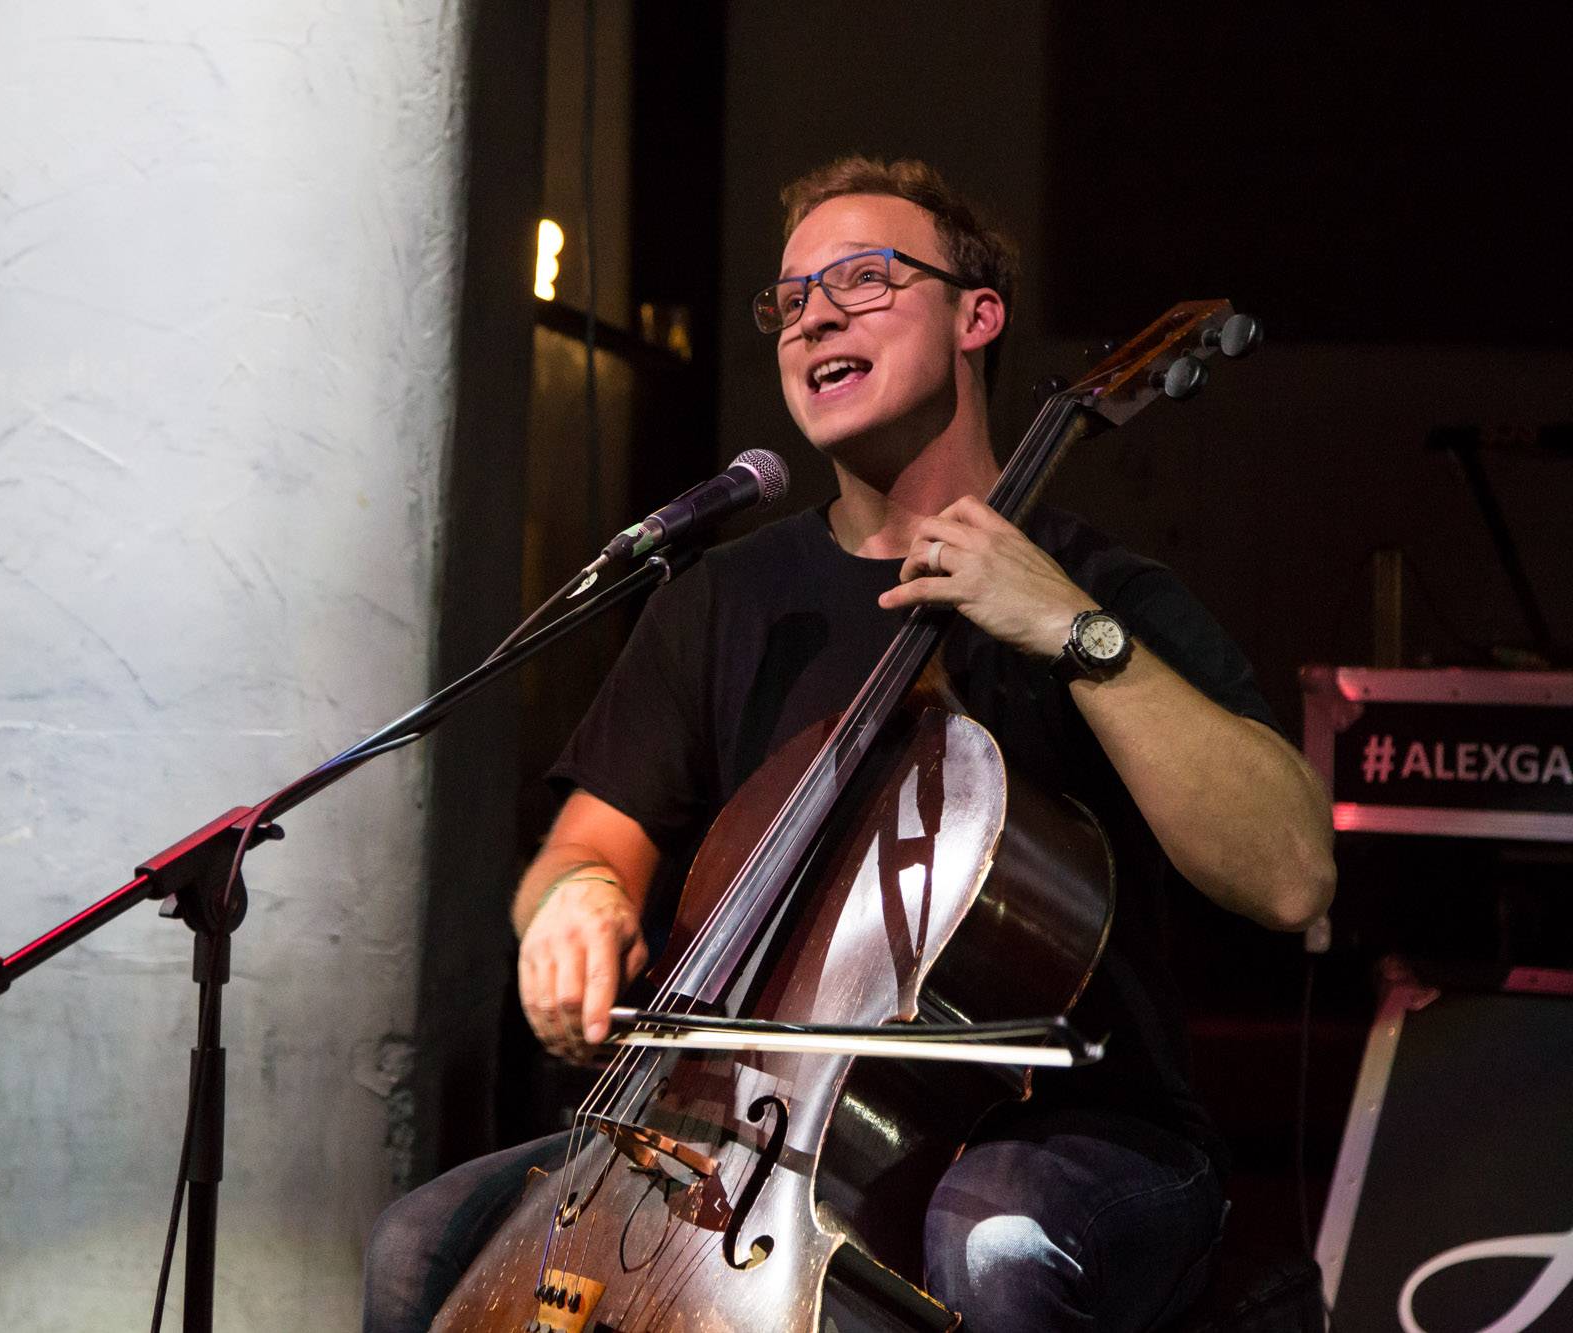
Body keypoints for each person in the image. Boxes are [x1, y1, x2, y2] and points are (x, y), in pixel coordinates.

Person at [364, 155, 1336, 1332]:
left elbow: (1289, 876)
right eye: (790, 297)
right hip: (732, 1132)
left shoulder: (1103, 592)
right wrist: (572, 903)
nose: (814, 313)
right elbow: (588, 851)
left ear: (977, 315)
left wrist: (1074, 635)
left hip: (1067, 1131)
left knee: (990, 1243)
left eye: (866, 278)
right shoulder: (725, 601)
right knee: (422, 1245)